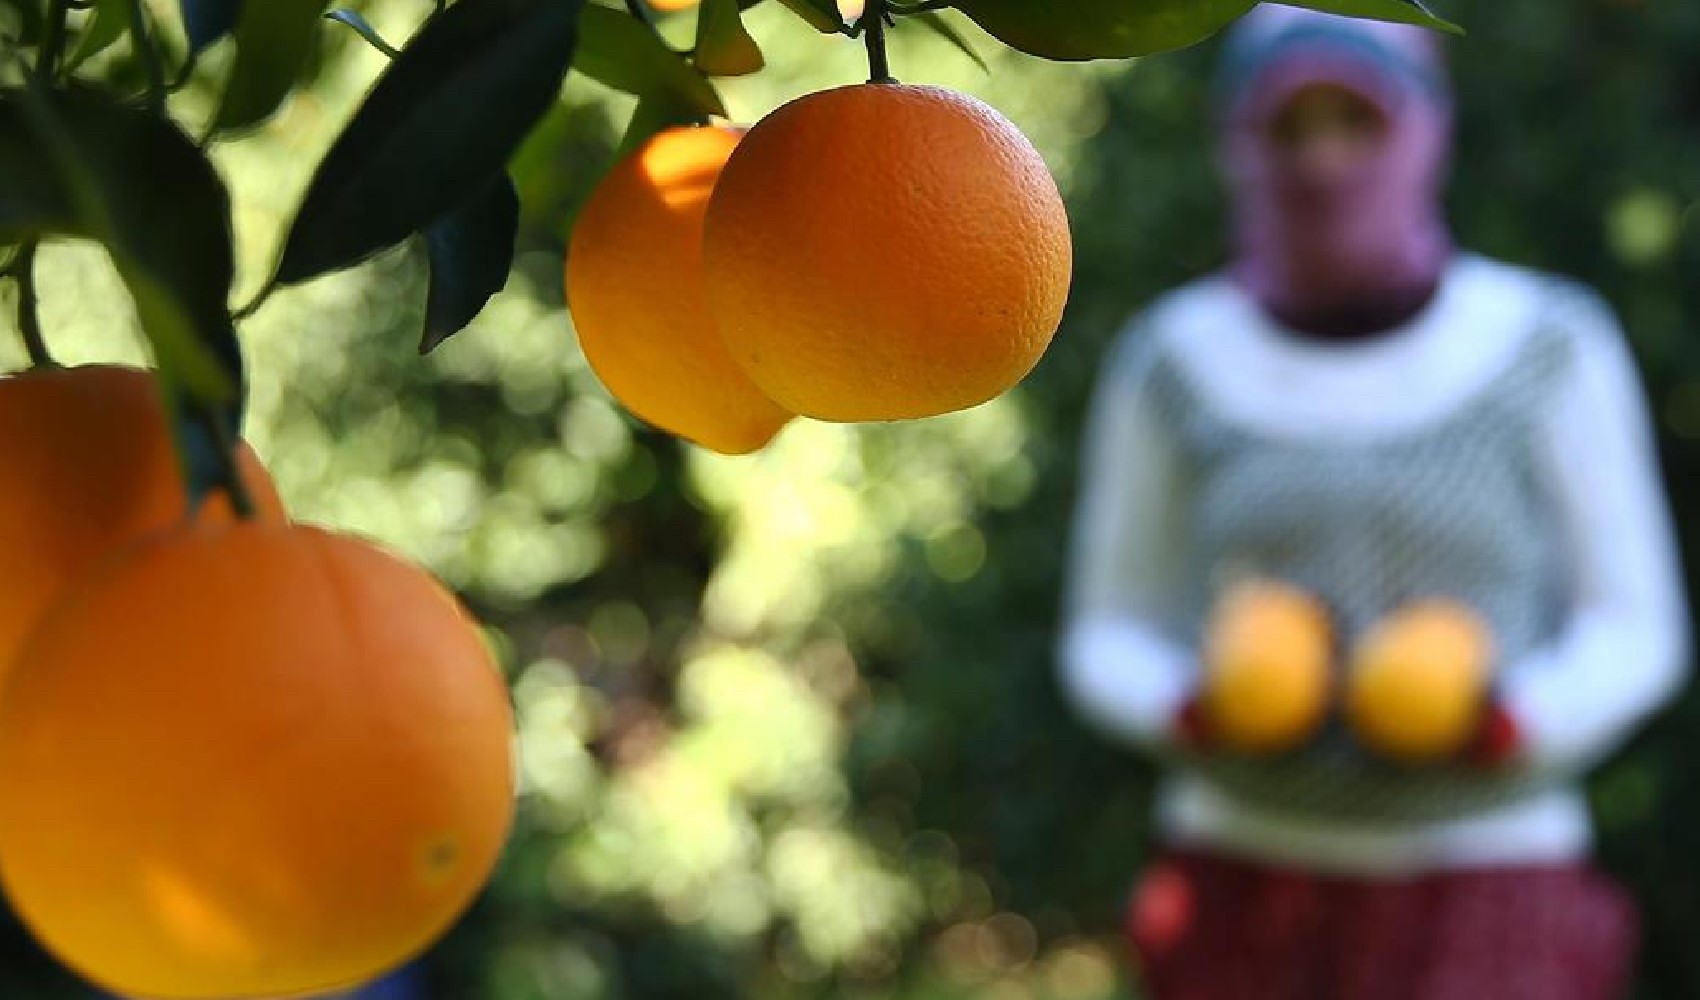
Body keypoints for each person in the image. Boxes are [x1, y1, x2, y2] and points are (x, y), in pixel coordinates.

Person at [1058, 7, 1692, 1000]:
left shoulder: (1544, 344)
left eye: (1355, 122)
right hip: (1237, 879)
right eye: (1287, 127)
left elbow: (1634, 627)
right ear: (1238, 139)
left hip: (1491, 880)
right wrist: (1188, 708)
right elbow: (1107, 631)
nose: (1321, 162)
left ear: (1422, 128)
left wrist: (1511, 721)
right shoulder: (1173, 360)